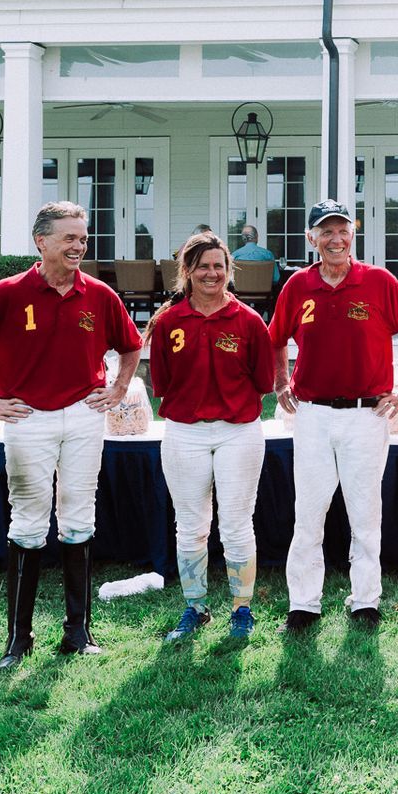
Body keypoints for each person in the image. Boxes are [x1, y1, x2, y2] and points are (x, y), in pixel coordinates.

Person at [0, 201, 143, 669]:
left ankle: (78, 633)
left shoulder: (100, 294)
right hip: (28, 418)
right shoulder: (7, 293)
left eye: (83, 237)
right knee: (28, 523)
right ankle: (18, 638)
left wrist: (118, 387)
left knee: (78, 519)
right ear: (42, 241)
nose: (79, 245)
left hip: (84, 418)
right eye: (69, 237)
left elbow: (131, 345)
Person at [269, 198, 398, 631]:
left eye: (343, 230)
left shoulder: (379, 281)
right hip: (314, 415)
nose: (335, 239)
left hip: (366, 414)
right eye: (326, 231)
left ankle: (365, 601)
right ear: (311, 238)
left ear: (353, 234)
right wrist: (282, 381)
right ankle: (303, 604)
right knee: (309, 512)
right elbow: (276, 337)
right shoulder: (298, 286)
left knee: (364, 510)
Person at [149, 231, 278, 643]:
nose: (211, 274)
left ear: (229, 270)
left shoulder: (249, 321)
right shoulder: (169, 322)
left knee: (237, 525)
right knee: (190, 526)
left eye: (219, 266)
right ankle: (196, 607)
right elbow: (162, 381)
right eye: (202, 266)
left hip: (238, 432)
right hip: (184, 433)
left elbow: (262, 380)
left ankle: (242, 610)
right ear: (186, 271)